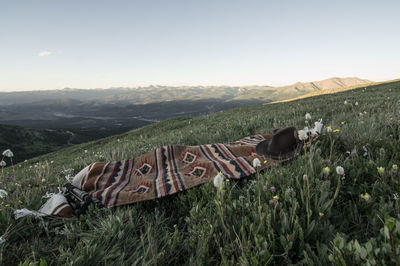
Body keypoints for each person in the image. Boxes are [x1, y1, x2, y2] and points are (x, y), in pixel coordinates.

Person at [15, 121, 323, 219]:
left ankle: (95, 184)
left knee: (171, 170)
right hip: (195, 153)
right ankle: (95, 178)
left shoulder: (256, 149)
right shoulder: (256, 144)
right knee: (171, 157)